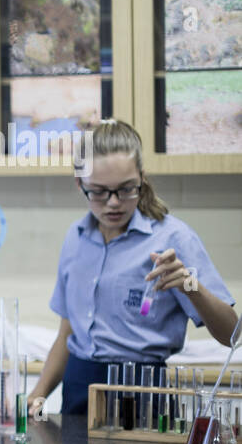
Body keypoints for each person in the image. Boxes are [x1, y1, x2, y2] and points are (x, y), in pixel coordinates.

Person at [26, 120, 237, 417]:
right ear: (79, 184)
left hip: (143, 391)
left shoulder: (173, 238)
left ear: (142, 178)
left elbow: (232, 336)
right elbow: (67, 335)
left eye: (126, 189)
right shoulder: (76, 238)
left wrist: (191, 285)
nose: (113, 203)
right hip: (77, 387)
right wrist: (37, 395)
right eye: (98, 192)